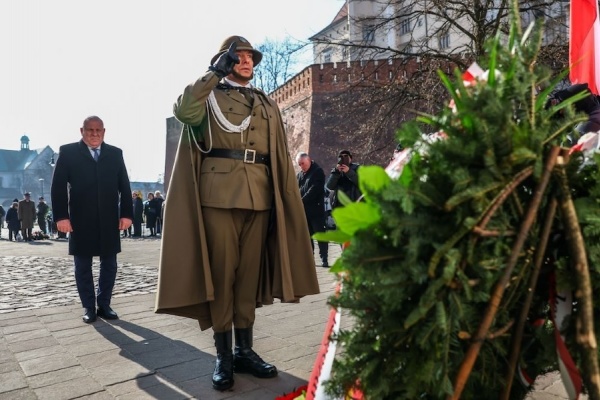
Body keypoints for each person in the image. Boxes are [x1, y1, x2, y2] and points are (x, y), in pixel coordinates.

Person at [154, 35, 320, 392]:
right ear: (225, 61)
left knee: (247, 278)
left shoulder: (265, 102)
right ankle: (223, 356)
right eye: (239, 57)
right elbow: (183, 110)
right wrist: (213, 74)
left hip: (259, 196)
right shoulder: (208, 96)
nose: (247, 62)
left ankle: (245, 350)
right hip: (219, 197)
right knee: (221, 275)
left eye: (250, 58)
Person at [50, 115, 133, 324]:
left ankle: (104, 304)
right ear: (82, 131)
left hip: (109, 220)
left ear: (104, 132)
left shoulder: (115, 154)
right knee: (82, 265)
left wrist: (126, 214)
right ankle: (89, 307)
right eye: (90, 130)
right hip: (80, 220)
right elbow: (58, 187)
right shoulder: (68, 152)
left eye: (98, 131)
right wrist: (61, 217)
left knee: (110, 265)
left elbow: (124, 185)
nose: (94, 134)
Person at [296, 152, 329, 268]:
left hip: (316, 211)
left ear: (309, 160)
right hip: (304, 211)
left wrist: (300, 201)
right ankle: (310, 258)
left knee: (320, 235)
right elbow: (296, 189)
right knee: (308, 236)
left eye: (303, 163)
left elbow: (314, 190)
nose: (301, 166)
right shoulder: (300, 175)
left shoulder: (318, 172)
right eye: (299, 164)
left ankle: (324, 258)